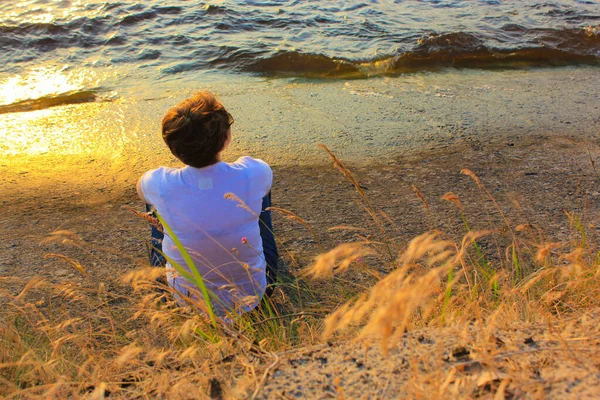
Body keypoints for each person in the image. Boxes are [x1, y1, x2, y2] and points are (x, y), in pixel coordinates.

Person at [136, 91, 278, 315]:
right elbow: (264, 183)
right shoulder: (254, 172)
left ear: (173, 147)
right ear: (225, 138)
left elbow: (141, 192)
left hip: (186, 301)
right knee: (259, 195)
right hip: (255, 296)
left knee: (153, 204)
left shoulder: (159, 183)